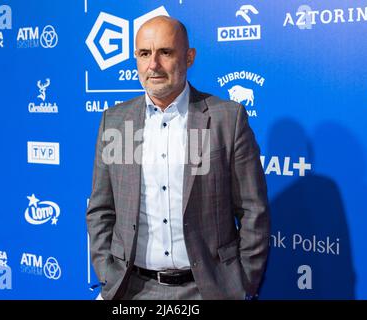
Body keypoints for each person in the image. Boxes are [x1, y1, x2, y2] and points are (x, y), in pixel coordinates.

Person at [86, 15, 270, 300]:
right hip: (131, 289)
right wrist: (107, 274)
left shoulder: (227, 119)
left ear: (189, 57)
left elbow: (252, 209)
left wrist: (241, 283)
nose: (153, 65)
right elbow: (101, 209)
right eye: (144, 54)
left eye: (165, 52)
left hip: (208, 290)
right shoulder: (115, 121)